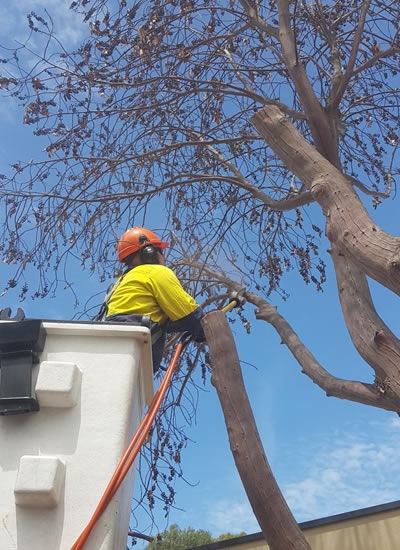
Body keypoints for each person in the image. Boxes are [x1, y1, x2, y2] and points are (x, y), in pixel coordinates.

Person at [96, 227, 205, 372]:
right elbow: (190, 316)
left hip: (104, 353)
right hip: (130, 357)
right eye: (160, 251)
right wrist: (207, 326)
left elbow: (161, 320)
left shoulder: (119, 285)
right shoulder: (156, 272)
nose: (164, 258)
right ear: (149, 252)